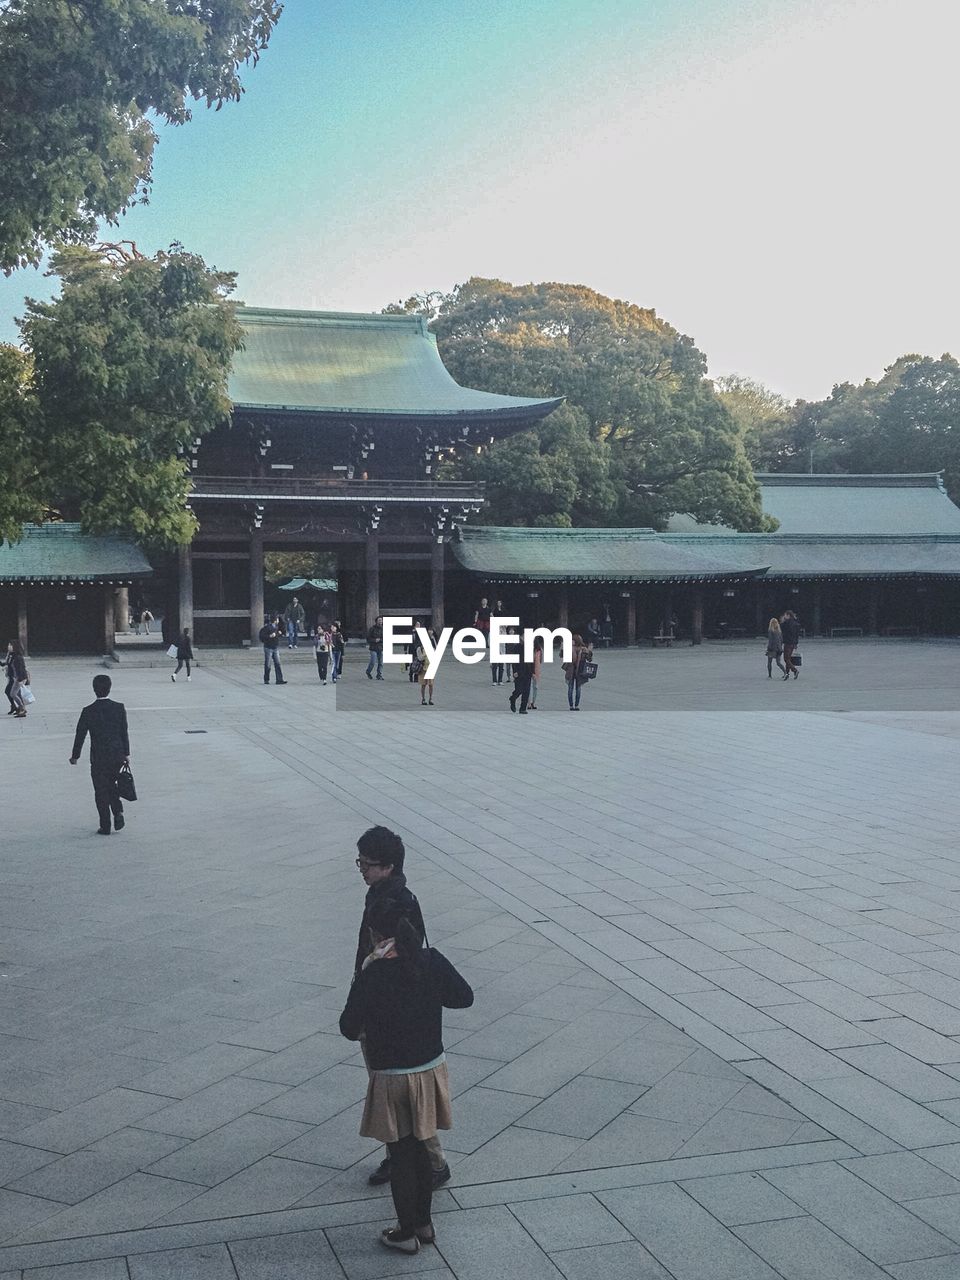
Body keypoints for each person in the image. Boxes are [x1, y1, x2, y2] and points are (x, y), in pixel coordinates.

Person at [340, 896, 473, 1254]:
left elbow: (348, 1027)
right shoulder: (431, 961)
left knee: (401, 1152)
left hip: (392, 1075)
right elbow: (464, 998)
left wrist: (368, 969)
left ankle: (406, 1232)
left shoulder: (374, 974)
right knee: (421, 1145)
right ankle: (425, 1225)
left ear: (376, 935)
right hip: (429, 1070)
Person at [352, 828, 450, 1191]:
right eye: (359, 861)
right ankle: (400, 1155)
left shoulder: (397, 903)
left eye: (367, 863)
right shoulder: (379, 893)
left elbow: (405, 960)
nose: (361, 868)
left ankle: (432, 1162)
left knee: (399, 1093)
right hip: (378, 1002)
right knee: (389, 1091)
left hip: (390, 1012)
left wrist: (368, 981)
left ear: (389, 866)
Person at [69, 674, 130, 834]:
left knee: (101, 790)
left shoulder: (88, 711)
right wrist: (126, 753)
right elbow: (124, 731)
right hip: (117, 754)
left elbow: (80, 734)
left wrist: (75, 755)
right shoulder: (119, 707)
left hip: (98, 757)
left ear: (94, 689)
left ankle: (105, 825)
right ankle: (118, 811)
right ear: (110, 688)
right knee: (112, 785)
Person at [563, 633, 593, 711]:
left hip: (579, 672)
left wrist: (589, 651)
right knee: (572, 688)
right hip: (571, 671)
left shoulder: (583, 650)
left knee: (577, 688)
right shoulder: (570, 649)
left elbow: (589, 659)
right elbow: (562, 655)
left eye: (573, 640)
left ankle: (575, 705)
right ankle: (572, 705)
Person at [259, 616, 286, 685]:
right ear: (275, 620)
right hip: (268, 647)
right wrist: (270, 636)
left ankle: (279, 679)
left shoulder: (277, 627)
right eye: (277, 619)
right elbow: (262, 636)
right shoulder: (267, 628)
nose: (278, 621)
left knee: (278, 663)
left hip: (275, 647)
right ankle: (266, 679)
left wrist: (279, 633)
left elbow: (282, 631)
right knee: (268, 664)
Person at [4, 640, 27, 717]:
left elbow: (21, 669)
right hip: (15, 677)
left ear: (15, 647)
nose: (8, 646)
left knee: (13, 694)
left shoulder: (17, 657)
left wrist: (21, 680)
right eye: (8, 645)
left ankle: (22, 708)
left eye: (10, 645)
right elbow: (7, 663)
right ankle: (20, 708)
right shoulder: (12, 655)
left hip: (18, 678)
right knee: (15, 693)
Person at [416, 629, 436, 705]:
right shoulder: (419, 649)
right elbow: (419, 658)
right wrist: (425, 654)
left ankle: (431, 699)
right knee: (423, 685)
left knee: (431, 685)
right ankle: (423, 699)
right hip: (422, 668)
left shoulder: (432, 648)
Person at [781, 610, 801, 680]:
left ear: (788, 615)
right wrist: (796, 643)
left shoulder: (786, 623)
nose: (784, 616)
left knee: (786, 659)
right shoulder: (795, 623)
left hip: (787, 643)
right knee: (788, 659)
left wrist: (783, 621)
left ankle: (795, 670)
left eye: (785, 615)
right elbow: (797, 635)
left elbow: (782, 629)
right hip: (793, 643)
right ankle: (787, 673)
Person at [366, 616, 384, 680]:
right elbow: (368, 638)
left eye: (381, 620)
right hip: (373, 648)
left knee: (381, 663)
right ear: (376, 621)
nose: (380, 621)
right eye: (379, 620)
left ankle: (379, 675)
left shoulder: (384, 629)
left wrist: (380, 640)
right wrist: (374, 640)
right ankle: (368, 672)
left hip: (381, 647)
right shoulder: (372, 629)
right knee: (373, 662)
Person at [528, 635, 543, 709]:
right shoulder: (537, 650)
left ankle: (532, 703)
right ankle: (530, 703)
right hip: (532, 669)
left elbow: (540, 660)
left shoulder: (538, 650)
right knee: (531, 686)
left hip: (535, 669)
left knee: (533, 687)